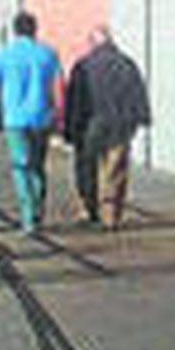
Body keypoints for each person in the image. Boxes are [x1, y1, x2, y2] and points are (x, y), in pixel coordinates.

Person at [63, 27, 150, 230]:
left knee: (86, 168)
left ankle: (88, 210)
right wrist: (141, 119)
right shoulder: (127, 64)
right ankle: (110, 216)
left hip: (89, 126)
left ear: (93, 43)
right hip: (119, 126)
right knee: (115, 171)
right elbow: (138, 93)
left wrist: (69, 129)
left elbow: (74, 100)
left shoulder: (82, 65)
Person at [0, 12, 63, 235]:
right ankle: (38, 211)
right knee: (38, 166)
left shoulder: (4, 55)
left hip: (14, 119)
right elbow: (59, 87)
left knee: (21, 166)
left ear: (15, 30)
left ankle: (28, 217)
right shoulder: (48, 54)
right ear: (35, 29)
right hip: (41, 117)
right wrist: (59, 114)